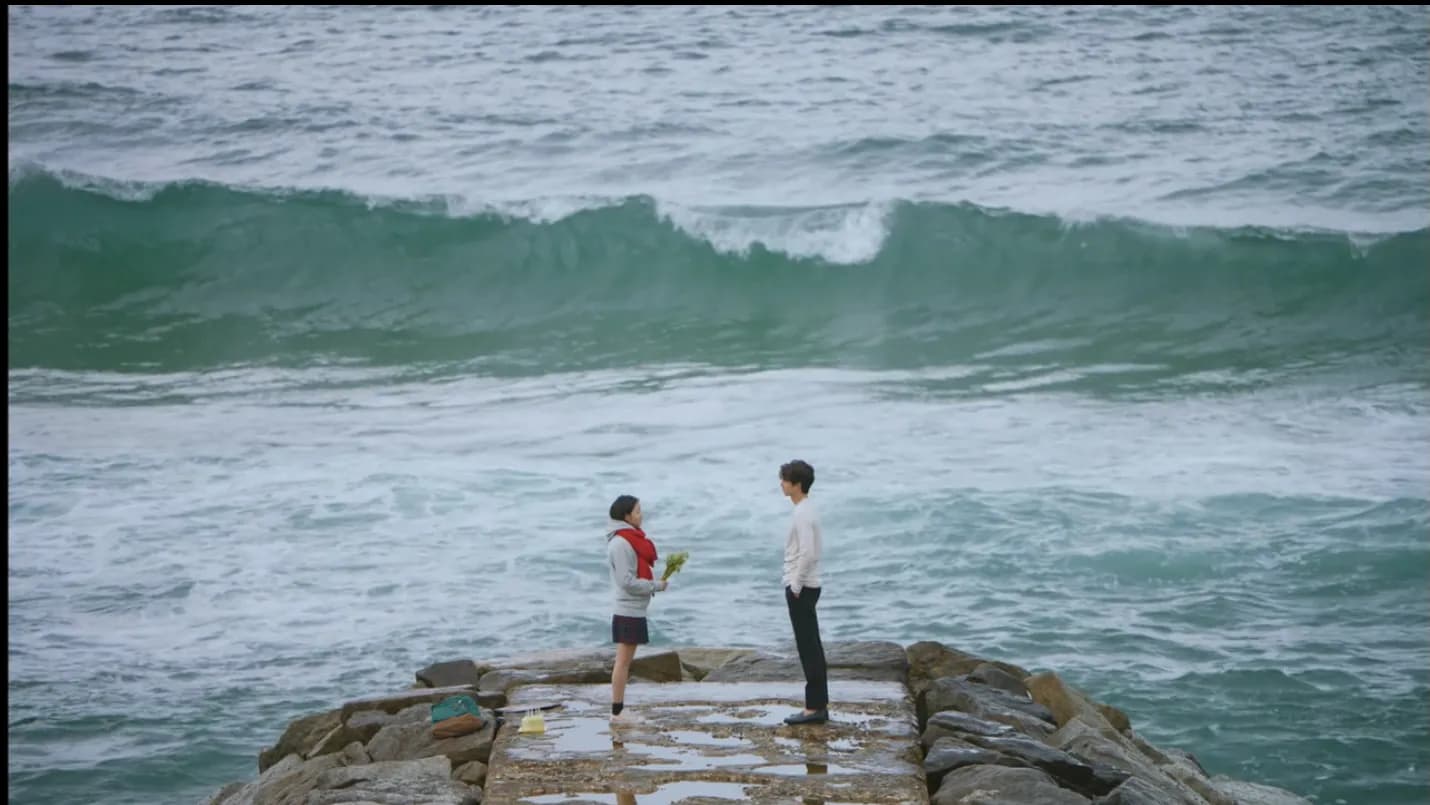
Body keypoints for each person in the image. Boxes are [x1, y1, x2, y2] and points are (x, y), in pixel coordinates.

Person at [606, 494, 669, 723]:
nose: (641, 515)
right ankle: (617, 712)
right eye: (638, 511)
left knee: (624, 662)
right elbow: (626, 581)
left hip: (634, 609)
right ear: (626, 516)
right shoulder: (621, 543)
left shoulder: (628, 539)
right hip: (627, 609)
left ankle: (619, 710)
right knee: (622, 662)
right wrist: (656, 586)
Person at [779, 459, 829, 725]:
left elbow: (807, 552)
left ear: (797, 485)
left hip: (803, 587)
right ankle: (818, 703)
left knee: (808, 647)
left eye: (785, 480)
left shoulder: (802, 513)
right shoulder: (805, 509)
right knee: (811, 645)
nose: (781, 484)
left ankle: (814, 707)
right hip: (807, 585)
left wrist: (795, 585)